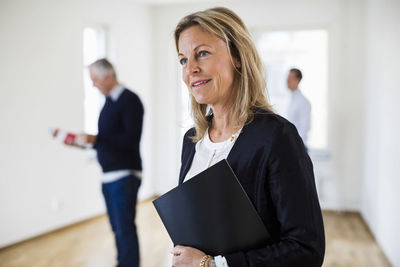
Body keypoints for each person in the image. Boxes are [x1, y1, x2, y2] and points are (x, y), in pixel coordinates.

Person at [171, 7, 325, 267]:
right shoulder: (192, 140)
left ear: (237, 56)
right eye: (184, 60)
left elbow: (306, 250)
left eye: (203, 54)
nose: (191, 70)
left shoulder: (277, 138)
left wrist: (211, 265)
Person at [79, 58, 144, 267]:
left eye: (95, 79)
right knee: (117, 228)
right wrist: (88, 143)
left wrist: (97, 139)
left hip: (125, 175)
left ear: (108, 77)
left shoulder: (130, 100)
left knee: (124, 228)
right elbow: (108, 140)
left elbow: (130, 139)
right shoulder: (108, 103)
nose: (93, 85)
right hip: (108, 176)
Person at [286, 68, 311, 145]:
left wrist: (295, 145)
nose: (287, 81)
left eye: (290, 78)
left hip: (298, 146)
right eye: (287, 78)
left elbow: (305, 128)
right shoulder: (291, 100)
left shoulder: (303, 102)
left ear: (297, 81)